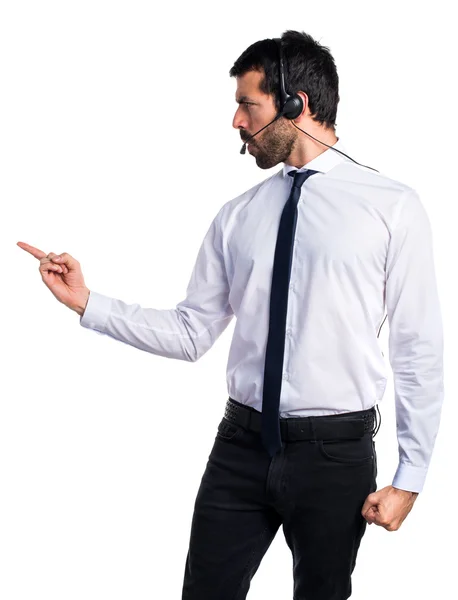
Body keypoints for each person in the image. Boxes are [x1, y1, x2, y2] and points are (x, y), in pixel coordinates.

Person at [17, 29, 444, 600]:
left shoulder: (392, 208)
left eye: (248, 104)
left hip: (334, 458)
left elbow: (417, 349)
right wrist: (88, 303)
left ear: (297, 105)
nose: (236, 122)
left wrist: (409, 478)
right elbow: (192, 332)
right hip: (239, 448)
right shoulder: (238, 216)